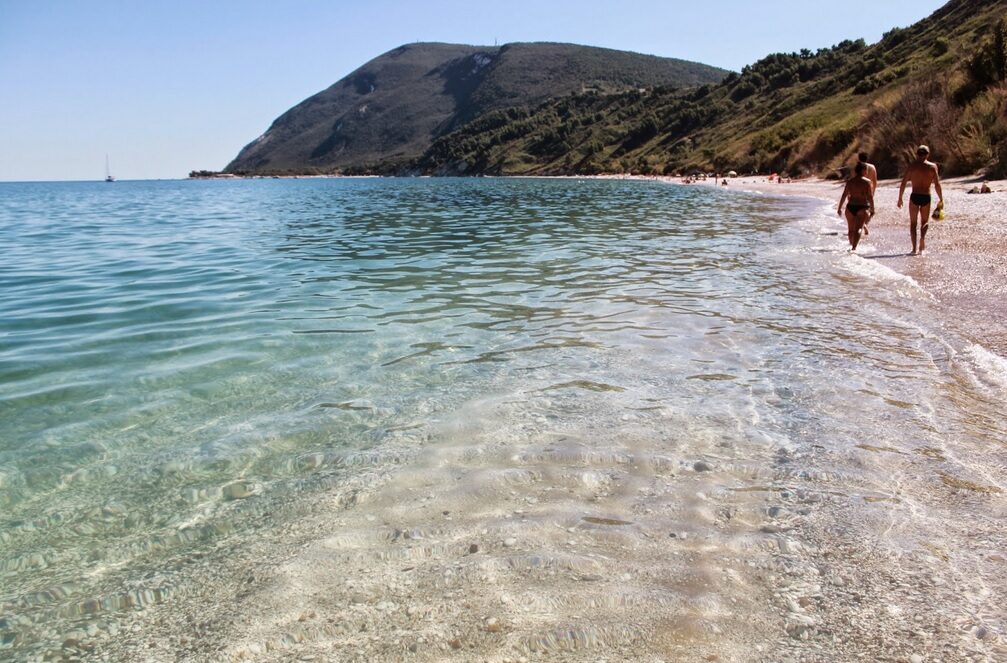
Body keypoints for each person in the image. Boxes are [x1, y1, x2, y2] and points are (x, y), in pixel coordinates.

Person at [897, 145, 944, 255]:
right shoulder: (932, 167)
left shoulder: (912, 167)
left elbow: (903, 183)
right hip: (926, 196)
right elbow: (937, 184)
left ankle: (914, 249)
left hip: (914, 196)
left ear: (917, 154)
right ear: (927, 154)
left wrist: (900, 198)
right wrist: (941, 198)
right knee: (925, 222)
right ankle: (922, 238)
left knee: (913, 224)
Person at [838, 161, 875, 251]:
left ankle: (851, 245)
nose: (867, 171)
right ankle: (854, 248)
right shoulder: (867, 182)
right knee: (859, 228)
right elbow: (870, 196)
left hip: (850, 207)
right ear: (862, 170)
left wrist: (839, 208)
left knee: (850, 230)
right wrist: (872, 208)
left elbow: (844, 195)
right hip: (862, 206)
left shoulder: (850, 182)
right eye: (866, 169)